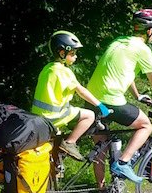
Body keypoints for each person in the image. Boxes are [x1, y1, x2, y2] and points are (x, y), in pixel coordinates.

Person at [86, 9, 152, 186]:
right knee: (145, 124)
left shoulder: (118, 42)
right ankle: (123, 163)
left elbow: (124, 72)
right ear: (149, 30)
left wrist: (137, 95)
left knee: (100, 147)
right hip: (109, 100)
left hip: (91, 99)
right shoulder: (142, 49)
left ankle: (102, 192)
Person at [31, 30, 111, 161]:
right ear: (62, 53)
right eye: (72, 53)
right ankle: (70, 143)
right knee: (89, 115)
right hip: (54, 117)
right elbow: (81, 91)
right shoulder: (63, 71)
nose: (75, 57)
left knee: (54, 146)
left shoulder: (47, 68)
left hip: (38, 116)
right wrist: (100, 105)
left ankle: (55, 168)